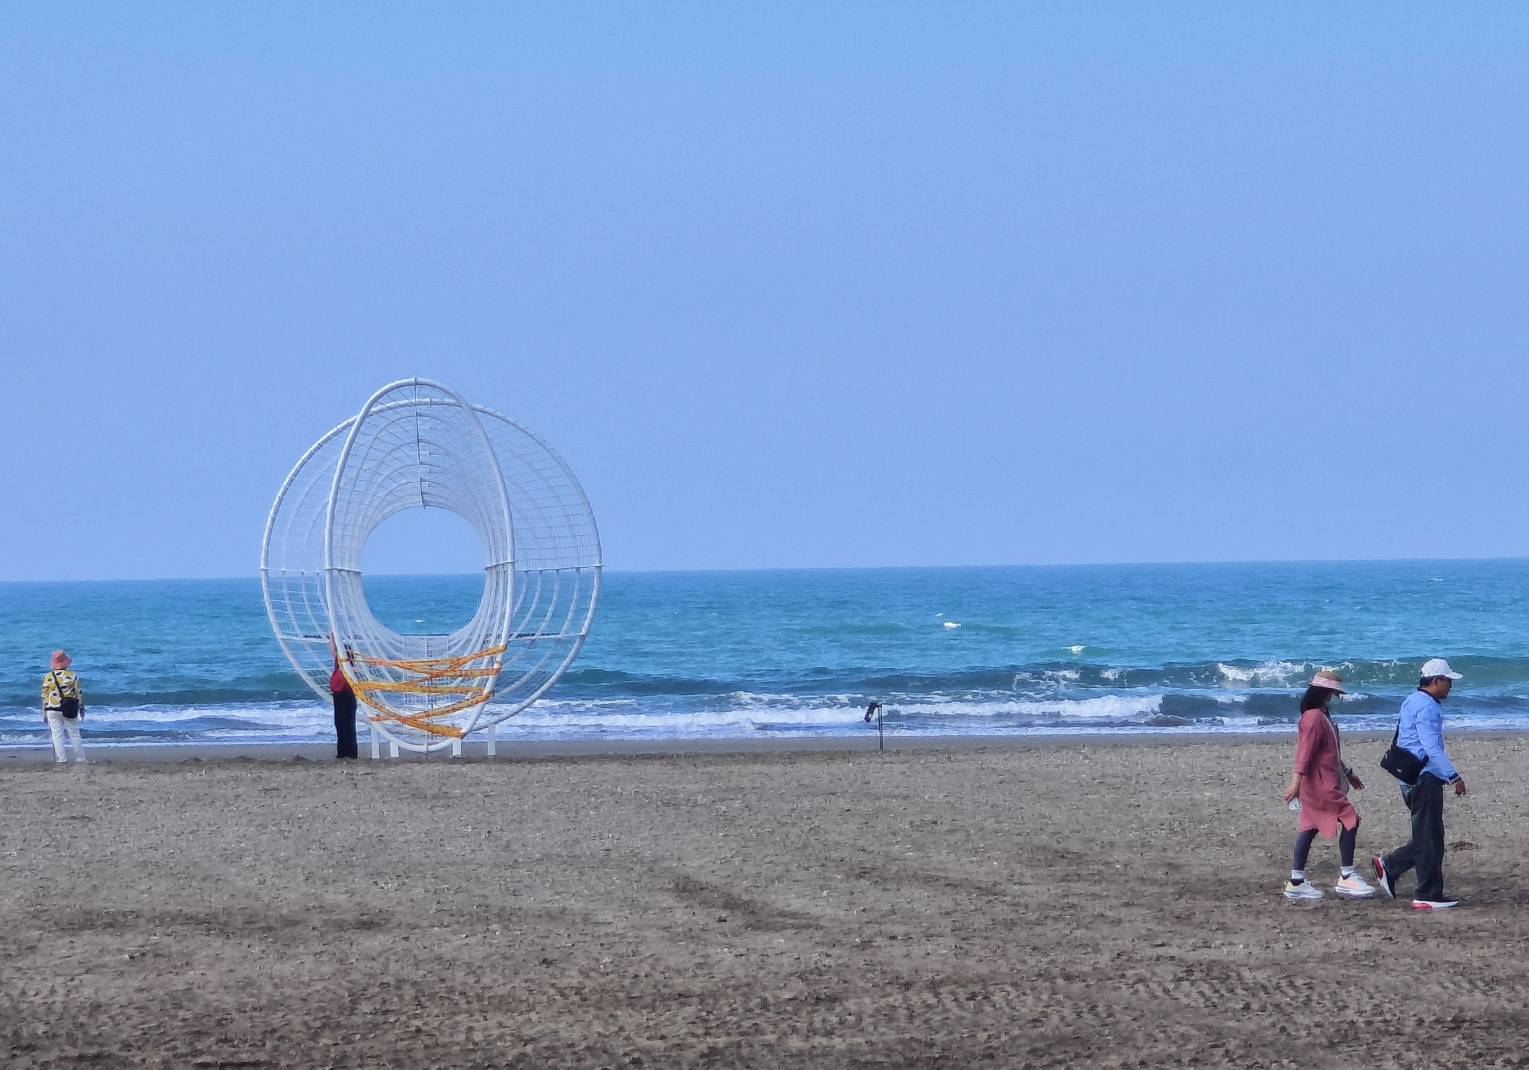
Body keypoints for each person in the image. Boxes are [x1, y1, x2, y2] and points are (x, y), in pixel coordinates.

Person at [1373, 658, 1467, 911]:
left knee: (1430, 836)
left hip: (1411, 776)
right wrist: (1453, 775)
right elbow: (1430, 745)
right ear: (1436, 681)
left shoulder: (1412, 700)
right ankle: (1425, 892)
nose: (1450, 687)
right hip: (1425, 777)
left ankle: (1394, 869)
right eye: (1448, 682)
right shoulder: (1427, 706)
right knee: (1429, 838)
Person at [1280, 670, 1374, 900]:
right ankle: (1347, 875)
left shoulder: (1322, 715)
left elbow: (1330, 751)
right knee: (1351, 819)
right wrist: (1295, 784)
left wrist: (1348, 773)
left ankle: (1296, 881)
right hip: (1320, 784)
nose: (1335, 696)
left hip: (1321, 781)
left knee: (1309, 827)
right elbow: (1304, 753)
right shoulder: (1314, 717)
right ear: (1325, 692)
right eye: (1333, 692)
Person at [40, 649, 87, 764]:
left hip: (52, 709)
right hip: (69, 708)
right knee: (74, 733)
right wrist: (81, 708)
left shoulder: (48, 677)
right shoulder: (72, 676)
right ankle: (81, 759)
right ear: (66, 663)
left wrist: (44, 712)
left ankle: (61, 759)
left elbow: (45, 696)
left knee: (57, 735)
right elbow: (78, 694)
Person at [329, 635, 359, 760]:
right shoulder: (338, 664)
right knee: (339, 724)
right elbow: (332, 650)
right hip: (338, 696)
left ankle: (351, 753)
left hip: (348, 696)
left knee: (348, 725)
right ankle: (342, 752)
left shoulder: (351, 667)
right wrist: (332, 636)